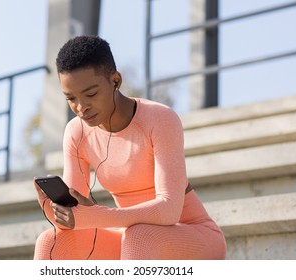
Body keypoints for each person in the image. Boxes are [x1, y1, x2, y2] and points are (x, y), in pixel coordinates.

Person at [33, 35, 226, 260]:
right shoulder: (76, 132)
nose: (81, 107)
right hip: (135, 244)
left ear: (115, 80)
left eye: (91, 94)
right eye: (71, 98)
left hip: (194, 238)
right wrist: (56, 210)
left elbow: (169, 210)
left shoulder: (159, 119)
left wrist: (97, 216)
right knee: (50, 241)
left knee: (138, 235)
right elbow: (78, 217)